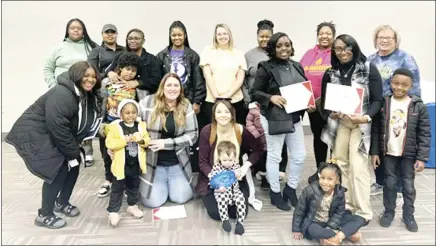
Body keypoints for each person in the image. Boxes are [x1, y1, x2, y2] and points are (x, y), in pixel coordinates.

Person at [5, 61, 101, 229]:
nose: (90, 80)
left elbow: (81, 121)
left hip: (56, 133)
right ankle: (44, 214)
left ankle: (62, 203)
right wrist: (72, 152)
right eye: (86, 76)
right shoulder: (62, 93)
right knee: (58, 171)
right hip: (37, 134)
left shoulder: (85, 94)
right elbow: (58, 127)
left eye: (93, 76)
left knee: (74, 166)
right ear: (76, 76)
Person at [319, 34, 383, 224]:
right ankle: (346, 206)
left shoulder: (369, 69)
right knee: (340, 166)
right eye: (338, 49)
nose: (342, 52)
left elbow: (378, 100)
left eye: (346, 48)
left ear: (354, 48)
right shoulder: (330, 72)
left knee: (358, 167)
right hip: (340, 123)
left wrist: (365, 116)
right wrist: (332, 113)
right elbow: (325, 103)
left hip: (361, 124)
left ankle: (363, 211)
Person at [251, 32, 308, 211]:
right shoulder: (265, 67)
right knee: (275, 156)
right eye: (279, 46)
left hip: (294, 117)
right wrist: (271, 97)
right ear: (272, 49)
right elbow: (255, 93)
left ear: (291, 47)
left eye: (287, 45)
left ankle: (290, 189)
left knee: (300, 156)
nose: (284, 48)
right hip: (274, 118)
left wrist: (309, 103)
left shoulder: (297, 66)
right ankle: (275, 193)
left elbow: (303, 89)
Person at [370, 68, 430, 232]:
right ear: (390, 83)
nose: (399, 87)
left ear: (411, 86)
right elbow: (376, 129)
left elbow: (425, 133)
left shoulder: (418, 106)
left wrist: (422, 158)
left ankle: (408, 215)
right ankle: (388, 212)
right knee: (389, 184)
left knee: (408, 186)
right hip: (388, 153)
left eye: (404, 85)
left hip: (409, 155)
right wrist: (375, 152)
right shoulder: (384, 103)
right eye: (396, 83)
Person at [368, 25, 422, 196]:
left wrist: (412, 109)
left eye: (388, 38)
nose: (384, 40)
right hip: (376, 111)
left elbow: (414, 87)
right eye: (380, 37)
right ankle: (380, 181)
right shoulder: (370, 60)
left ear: (395, 41)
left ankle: (398, 187)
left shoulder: (405, 58)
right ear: (375, 40)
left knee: (395, 148)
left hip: (397, 112)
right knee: (377, 147)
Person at [43, 18, 98, 166]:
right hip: (61, 90)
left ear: (83, 30)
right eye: (72, 28)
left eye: (79, 28)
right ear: (67, 30)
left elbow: (97, 68)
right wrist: (53, 85)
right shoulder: (58, 48)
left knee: (83, 119)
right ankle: (64, 150)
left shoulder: (91, 47)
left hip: (84, 90)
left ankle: (87, 151)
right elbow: (48, 68)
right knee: (63, 121)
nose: (75, 30)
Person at [138, 73, 198, 208]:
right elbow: (130, 125)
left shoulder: (185, 105)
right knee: (152, 202)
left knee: (181, 197)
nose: (172, 88)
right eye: (169, 85)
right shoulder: (146, 103)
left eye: (176, 85)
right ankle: (160, 183)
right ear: (162, 87)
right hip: (153, 163)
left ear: (181, 88)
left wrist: (165, 144)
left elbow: (193, 135)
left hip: (177, 162)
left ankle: (170, 183)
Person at [196, 99, 263, 222]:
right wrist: (215, 178)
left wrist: (245, 166)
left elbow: (257, 150)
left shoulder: (240, 130)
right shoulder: (207, 131)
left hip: (235, 179)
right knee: (216, 214)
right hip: (213, 178)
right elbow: (202, 162)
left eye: (227, 112)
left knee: (237, 212)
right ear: (214, 115)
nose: (223, 115)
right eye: (219, 112)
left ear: (232, 114)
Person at [156, 20, 206, 173]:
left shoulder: (192, 55)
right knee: (171, 128)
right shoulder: (162, 55)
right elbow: (159, 81)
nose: (177, 38)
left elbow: (198, 80)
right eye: (174, 35)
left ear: (185, 36)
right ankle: (168, 162)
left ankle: (188, 165)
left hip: (187, 99)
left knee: (187, 131)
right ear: (170, 36)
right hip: (168, 100)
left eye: (180, 35)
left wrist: (197, 101)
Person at [243, 19, 288, 189]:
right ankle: (260, 169)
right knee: (257, 137)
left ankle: (278, 170)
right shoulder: (249, 55)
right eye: (261, 36)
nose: (264, 39)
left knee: (278, 138)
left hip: (276, 105)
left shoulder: (279, 53)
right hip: (254, 104)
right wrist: (249, 101)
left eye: (267, 37)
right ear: (257, 36)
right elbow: (245, 81)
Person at [96, 53, 141, 198]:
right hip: (109, 124)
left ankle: (126, 183)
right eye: (127, 69)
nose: (130, 73)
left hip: (126, 127)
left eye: (133, 70)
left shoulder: (136, 87)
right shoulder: (108, 82)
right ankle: (108, 180)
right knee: (107, 154)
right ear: (120, 68)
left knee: (126, 155)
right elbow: (99, 97)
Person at [292, 162, 364, 245]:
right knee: (312, 229)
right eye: (322, 178)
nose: (325, 182)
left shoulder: (339, 192)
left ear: (337, 180)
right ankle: (342, 234)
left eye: (330, 179)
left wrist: (331, 226)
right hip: (315, 222)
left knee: (360, 219)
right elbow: (299, 211)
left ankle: (336, 237)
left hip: (332, 221)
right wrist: (296, 229)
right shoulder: (309, 190)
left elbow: (339, 213)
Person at [299, 21, 336, 183]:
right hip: (313, 106)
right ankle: (321, 170)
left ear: (333, 36)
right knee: (319, 138)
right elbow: (300, 77)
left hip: (333, 105)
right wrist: (307, 101)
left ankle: (335, 172)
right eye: (321, 33)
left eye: (328, 33)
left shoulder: (337, 53)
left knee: (335, 138)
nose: (324, 36)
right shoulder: (308, 54)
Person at [105, 99, 151, 227]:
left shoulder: (141, 126)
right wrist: (125, 140)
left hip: (135, 164)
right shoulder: (115, 128)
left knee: (133, 186)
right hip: (121, 166)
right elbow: (110, 144)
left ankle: (132, 206)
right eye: (127, 113)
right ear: (121, 114)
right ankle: (113, 212)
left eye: (133, 112)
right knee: (117, 188)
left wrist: (141, 140)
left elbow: (147, 140)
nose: (131, 116)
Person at [200, 23, 247, 125]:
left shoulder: (239, 53)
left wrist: (227, 96)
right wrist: (217, 97)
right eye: (219, 34)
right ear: (215, 36)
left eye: (225, 34)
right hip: (212, 100)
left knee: (235, 133)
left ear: (229, 35)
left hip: (235, 101)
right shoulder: (207, 51)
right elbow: (207, 76)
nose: (222, 36)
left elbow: (240, 79)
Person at [106, 28, 162, 99]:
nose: (133, 41)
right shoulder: (120, 56)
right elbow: (107, 71)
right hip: (119, 97)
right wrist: (110, 73)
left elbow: (157, 81)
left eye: (136, 38)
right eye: (130, 38)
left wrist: (138, 83)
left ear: (143, 41)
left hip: (144, 99)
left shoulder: (152, 59)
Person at [209, 141, 246, 235]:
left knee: (241, 200)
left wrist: (239, 173)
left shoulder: (236, 166)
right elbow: (213, 180)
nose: (228, 163)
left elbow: (240, 175)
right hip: (222, 191)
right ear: (219, 158)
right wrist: (219, 186)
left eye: (230, 160)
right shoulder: (217, 167)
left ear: (234, 159)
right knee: (222, 200)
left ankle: (240, 222)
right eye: (225, 160)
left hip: (235, 191)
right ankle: (225, 220)